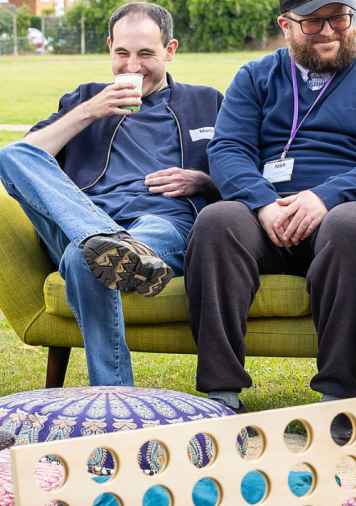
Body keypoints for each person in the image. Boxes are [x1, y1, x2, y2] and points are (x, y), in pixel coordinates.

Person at [184, 0, 356, 415]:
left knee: (348, 225)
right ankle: (221, 393)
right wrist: (261, 203)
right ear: (286, 25)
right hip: (269, 211)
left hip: (349, 207)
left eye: (339, 18)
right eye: (313, 22)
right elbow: (228, 149)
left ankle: (338, 393)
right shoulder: (257, 76)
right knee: (217, 220)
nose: (329, 31)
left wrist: (325, 197)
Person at [0, 2, 222, 387]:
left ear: (170, 50)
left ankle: (114, 397)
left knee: (85, 258)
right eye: (122, 53)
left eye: (146, 54)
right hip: (79, 217)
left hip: (160, 224)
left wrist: (203, 181)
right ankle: (101, 236)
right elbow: (27, 158)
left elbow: (246, 170)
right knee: (11, 154)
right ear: (109, 48)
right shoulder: (86, 98)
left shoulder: (206, 102)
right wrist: (89, 111)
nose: (132, 66)